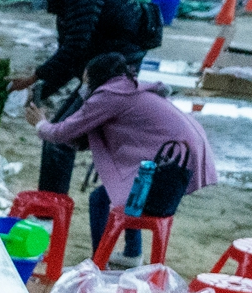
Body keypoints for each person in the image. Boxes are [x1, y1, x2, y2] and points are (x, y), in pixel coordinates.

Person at [26, 52, 217, 267]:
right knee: (128, 192)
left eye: (85, 80)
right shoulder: (128, 88)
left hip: (173, 160)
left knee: (101, 198)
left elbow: (62, 133)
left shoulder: (109, 96)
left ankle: (100, 260)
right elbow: (80, 135)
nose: (83, 86)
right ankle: (132, 253)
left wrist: (40, 124)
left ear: (97, 78)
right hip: (183, 153)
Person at [10, 0, 159, 203]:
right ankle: (49, 209)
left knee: (59, 140)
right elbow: (76, 52)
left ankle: (49, 214)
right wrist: (42, 86)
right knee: (59, 136)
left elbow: (76, 45)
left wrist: (35, 77)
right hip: (107, 63)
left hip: (114, 70)